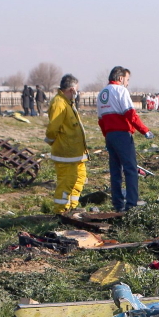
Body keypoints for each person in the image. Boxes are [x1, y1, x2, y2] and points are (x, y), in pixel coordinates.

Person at [97, 66, 154, 211]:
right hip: (122, 134)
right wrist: (145, 130)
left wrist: (107, 136)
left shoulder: (102, 94)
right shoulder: (120, 90)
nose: (127, 83)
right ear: (121, 78)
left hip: (110, 135)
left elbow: (101, 120)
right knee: (130, 169)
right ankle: (131, 204)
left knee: (115, 170)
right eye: (127, 80)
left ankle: (117, 204)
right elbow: (130, 114)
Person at [45, 73, 88, 213]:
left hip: (75, 153)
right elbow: (53, 128)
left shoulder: (67, 103)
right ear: (72, 89)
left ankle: (72, 208)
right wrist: (53, 142)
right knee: (66, 182)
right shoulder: (59, 103)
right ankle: (61, 212)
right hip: (66, 153)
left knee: (79, 178)